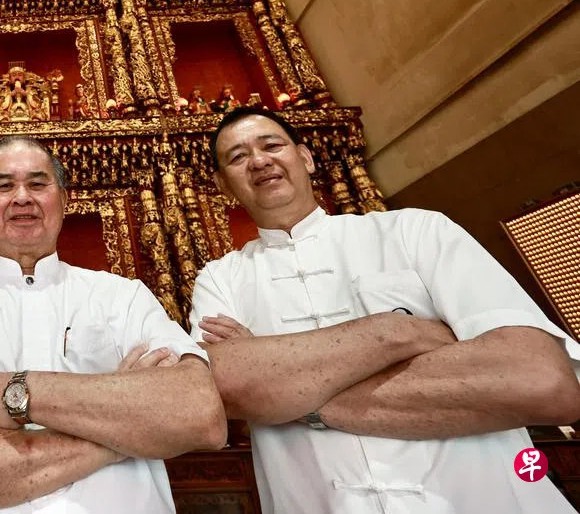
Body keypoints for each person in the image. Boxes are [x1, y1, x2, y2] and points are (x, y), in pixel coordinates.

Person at [190, 107, 580, 513]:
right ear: (222, 185)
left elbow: (541, 382)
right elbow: (223, 391)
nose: (258, 161)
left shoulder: (416, 232)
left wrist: (282, 391)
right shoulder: (220, 279)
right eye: (238, 157)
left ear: (305, 158)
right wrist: (398, 333)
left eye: (272, 145)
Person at [0, 135, 226, 513]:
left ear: (64, 199)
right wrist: (123, 426)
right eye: (4, 185)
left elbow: (200, 414)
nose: (22, 197)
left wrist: (15, 393)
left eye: (37, 183)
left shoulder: (123, 297)